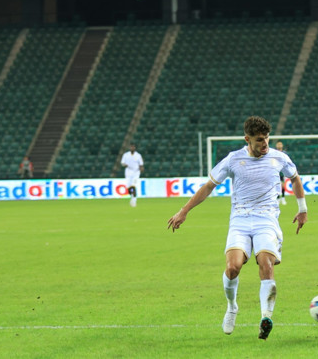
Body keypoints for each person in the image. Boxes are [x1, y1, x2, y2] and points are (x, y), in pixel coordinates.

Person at [167, 116, 308, 340]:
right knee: (233, 267)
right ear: (247, 139)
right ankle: (232, 307)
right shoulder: (233, 160)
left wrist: (302, 208)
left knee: (266, 262)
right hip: (240, 221)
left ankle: (266, 317)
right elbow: (208, 186)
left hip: (266, 220)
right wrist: (184, 211)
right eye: (260, 140)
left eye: (267, 139)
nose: (265, 144)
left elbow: (295, 179)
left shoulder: (278, 158)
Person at [120, 143, 144, 207]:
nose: (132, 148)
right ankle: (132, 196)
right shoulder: (126, 155)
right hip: (128, 172)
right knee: (129, 188)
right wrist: (125, 165)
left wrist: (141, 168)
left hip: (136, 173)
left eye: (133, 147)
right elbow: (122, 163)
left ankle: (134, 199)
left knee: (133, 186)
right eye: (131, 147)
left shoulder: (138, 155)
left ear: (135, 148)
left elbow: (141, 164)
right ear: (129, 148)